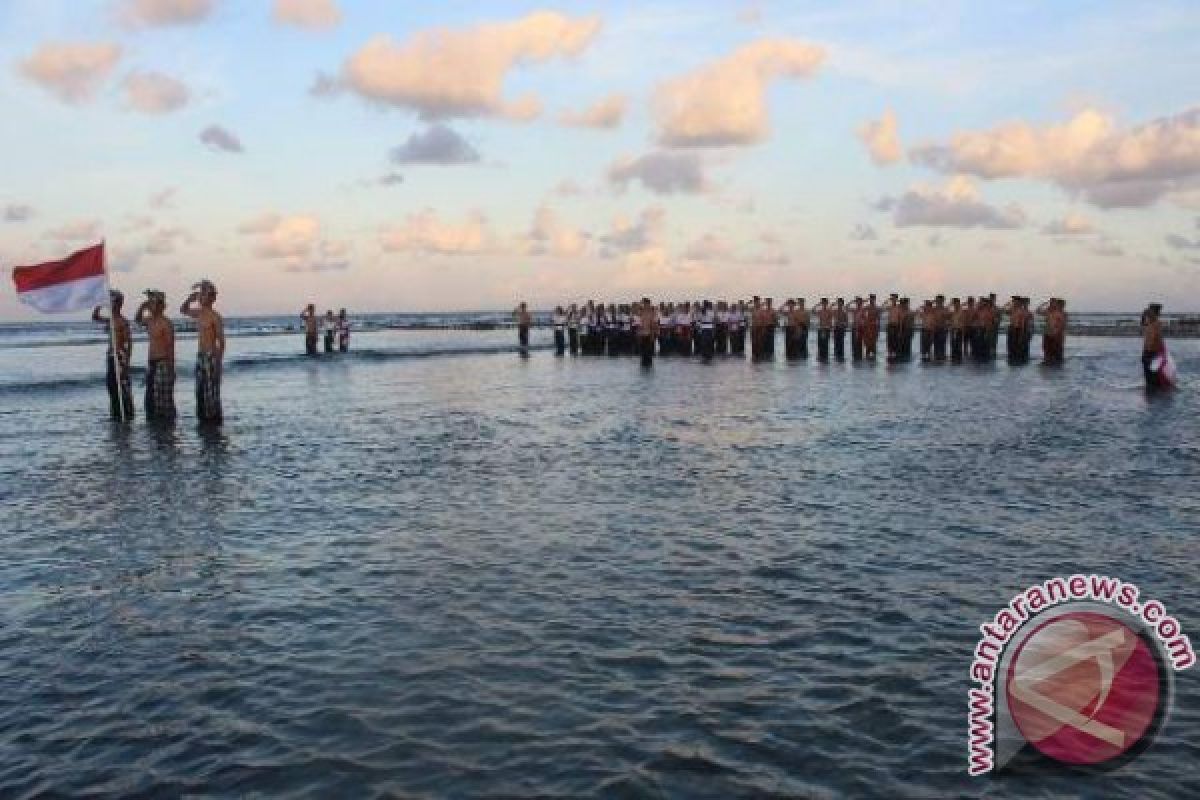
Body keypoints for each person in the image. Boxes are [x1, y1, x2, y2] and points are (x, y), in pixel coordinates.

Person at [181, 280, 224, 424]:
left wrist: (218, 362)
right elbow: (183, 310)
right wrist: (190, 298)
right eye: (201, 295)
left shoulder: (215, 317)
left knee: (211, 390)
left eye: (204, 295)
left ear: (211, 298)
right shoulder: (199, 313)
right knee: (200, 389)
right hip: (200, 356)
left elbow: (221, 342)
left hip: (211, 356)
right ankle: (203, 418)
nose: (201, 298)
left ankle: (213, 419)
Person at [92, 289, 134, 420]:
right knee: (111, 385)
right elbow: (95, 317)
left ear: (118, 304)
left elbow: (128, 342)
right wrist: (100, 303)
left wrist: (126, 361)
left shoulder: (122, 321)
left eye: (113, 302)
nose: (111, 304)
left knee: (121, 386)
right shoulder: (111, 320)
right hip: (111, 356)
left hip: (119, 356)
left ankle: (125, 412)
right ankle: (115, 412)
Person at [135, 289, 176, 421]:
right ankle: (154, 425)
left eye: (153, 303)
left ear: (160, 305)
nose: (150, 306)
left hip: (163, 363)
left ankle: (166, 425)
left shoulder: (166, 323)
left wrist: (171, 369)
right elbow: (137, 320)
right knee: (150, 398)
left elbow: (170, 346)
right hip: (151, 364)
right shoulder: (149, 321)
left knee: (163, 399)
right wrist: (142, 306)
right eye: (150, 303)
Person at [1142, 303, 1172, 389]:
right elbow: (1153, 340)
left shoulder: (1153, 324)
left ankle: (1152, 399)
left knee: (1152, 380)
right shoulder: (1152, 324)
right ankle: (1153, 399)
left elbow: (1153, 340)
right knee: (1152, 380)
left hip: (1150, 354)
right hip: (1150, 354)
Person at [636, 298, 659, 367]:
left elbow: (654, 324)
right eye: (644, 304)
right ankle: (643, 365)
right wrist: (641, 302)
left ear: (649, 304)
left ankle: (649, 365)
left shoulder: (653, 312)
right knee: (642, 352)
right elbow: (637, 309)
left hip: (649, 334)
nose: (645, 305)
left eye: (647, 304)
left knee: (649, 352)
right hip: (642, 334)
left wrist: (653, 334)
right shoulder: (641, 312)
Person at [863, 294, 879, 360]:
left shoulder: (876, 308)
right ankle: (867, 357)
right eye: (870, 299)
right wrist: (864, 301)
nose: (872, 300)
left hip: (874, 327)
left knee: (874, 343)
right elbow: (861, 312)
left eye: (873, 299)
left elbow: (878, 319)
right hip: (867, 327)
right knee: (867, 344)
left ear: (875, 299)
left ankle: (874, 358)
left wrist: (878, 328)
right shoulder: (867, 307)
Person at [932, 295, 948, 362]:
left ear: (943, 301)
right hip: (935, 329)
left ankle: (942, 357)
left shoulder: (945, 309)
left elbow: (949, 320)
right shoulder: (933, 309)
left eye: (940, 301)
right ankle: (936, 357)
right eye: (937, 300)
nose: (938, 302)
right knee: (935, 344)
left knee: (942, 344)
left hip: (942, 329)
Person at [816, 298, 832, 362]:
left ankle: (825, 357)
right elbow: (813, 311)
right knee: (820, 344)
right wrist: (818, 304)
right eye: (822, 303)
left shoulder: (829, 311)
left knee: (825, 344)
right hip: (820, 329)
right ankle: (820, 357)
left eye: (825, 303)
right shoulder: (820, 311)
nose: (824, 304)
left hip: (826, 329)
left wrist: (830, 328)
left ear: (827, 303)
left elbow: (830, 321)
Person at [949, 298, 965, 363]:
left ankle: (959, 359)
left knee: (959, 345)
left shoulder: (962, 312)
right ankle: (953, 358)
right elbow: (950, 321)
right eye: (954, 303)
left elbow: (963, 322)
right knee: (953, 344)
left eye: (956, 303)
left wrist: (963, 331)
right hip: (953, 330)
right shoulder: (952, 312)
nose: (955, 304)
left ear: (958, 303)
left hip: (959, 330)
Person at [832, 298, 848, 362]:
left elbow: (846, 323)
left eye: (841, 303)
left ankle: (841, 356)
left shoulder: (844, 312)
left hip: (841, 329)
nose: (839, 304)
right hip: (836, 328)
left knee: (841, 344)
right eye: (838, 303)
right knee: (836, 343)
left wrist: (842, 324)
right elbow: (829, 311)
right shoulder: (835, 311)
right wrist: (833, 304)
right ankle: (836, 356)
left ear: (842, 304)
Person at [850, 297, 864, 362]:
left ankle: (859, 356)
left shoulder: (863, 310)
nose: (858, 303)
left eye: (859, 302)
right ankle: (855, 356)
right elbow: (846, 307)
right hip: (854, 327)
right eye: (857, 302)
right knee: (854, 343)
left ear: (861, 303)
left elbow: (864, 319)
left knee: (859, 343)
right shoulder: (854, 310)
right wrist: (852, 301)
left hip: (860, 327)